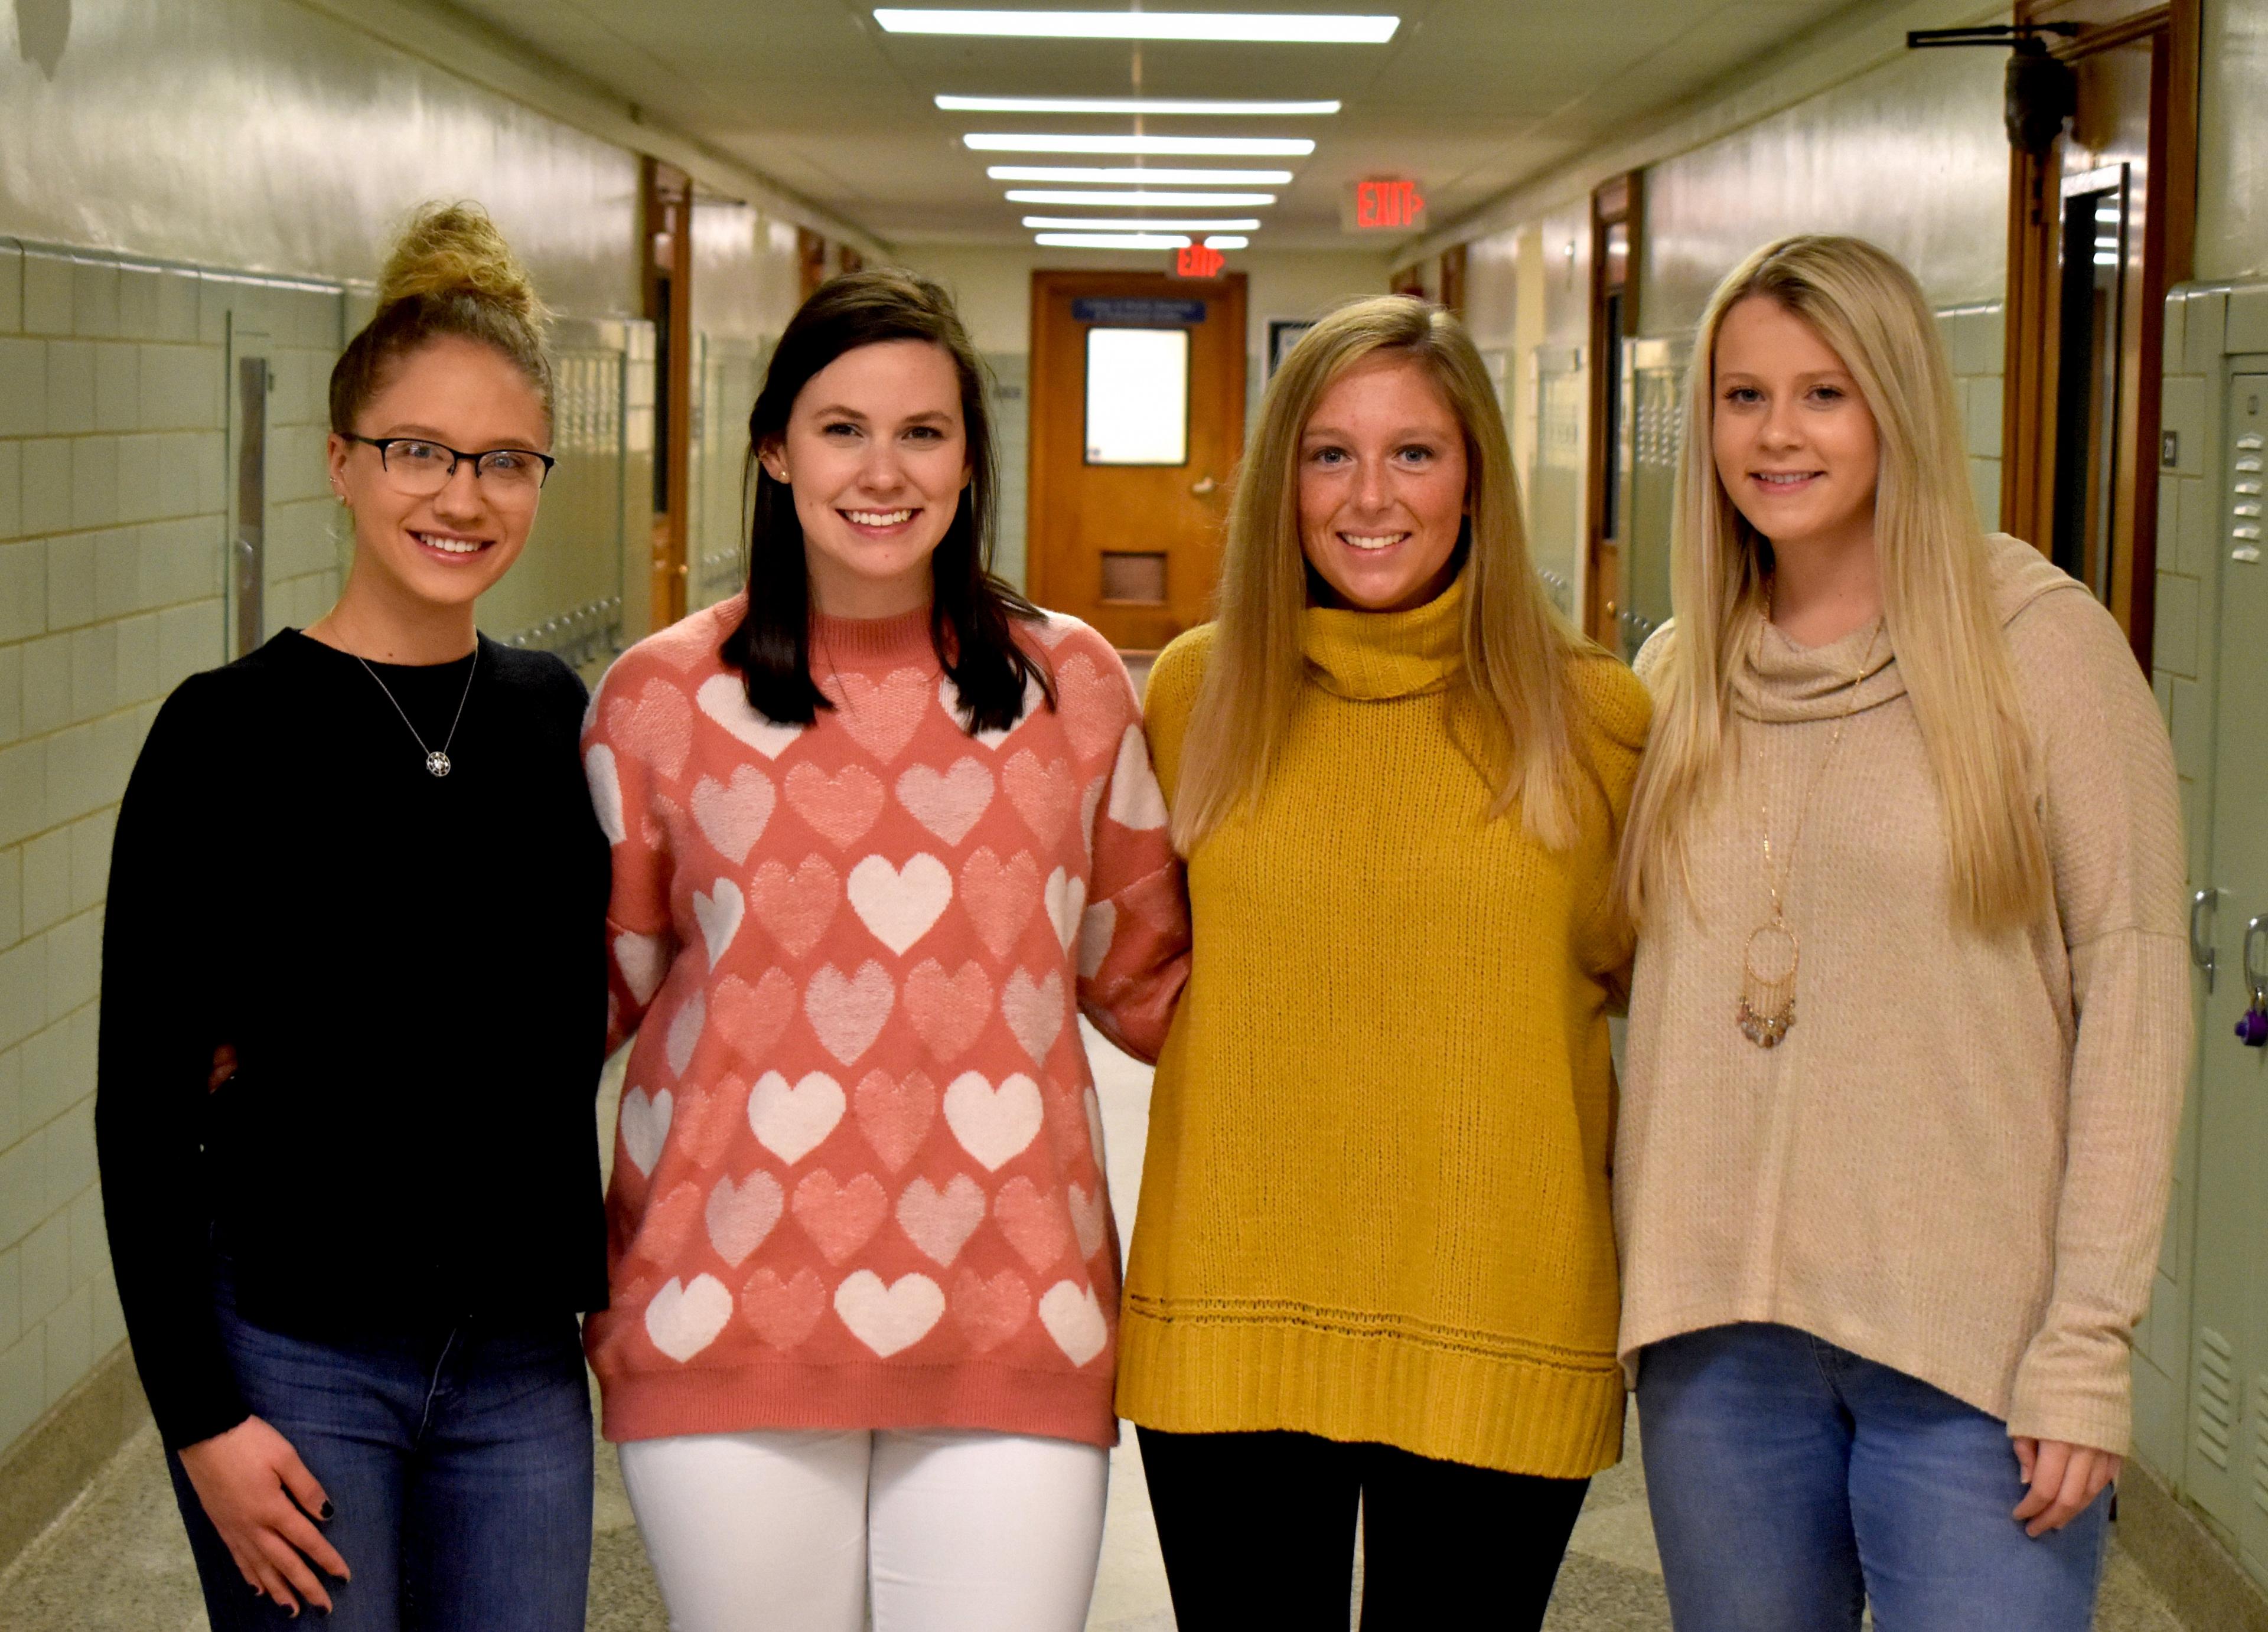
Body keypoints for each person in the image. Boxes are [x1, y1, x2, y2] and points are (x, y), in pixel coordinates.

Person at [579, 267, 1189, 1632]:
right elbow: (579, 994)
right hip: (719, 1309)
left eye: (923, 431)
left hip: (1017, 1305)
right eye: (842, 426)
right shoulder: (662, 699)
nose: (882, 469)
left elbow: (1152, 976)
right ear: (774, 448)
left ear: (972, 460)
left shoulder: (1067, 686)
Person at [1613, 234, 2189, 1631]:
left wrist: (2089, 1343)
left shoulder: (2038, 647)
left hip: (1972, 1347)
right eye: (1743, 397)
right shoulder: (1680, 671)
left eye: (1824, 392)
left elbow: (2134, 989)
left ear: (1900, 406)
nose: (1777, 434)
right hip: (1719, 1352)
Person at [94, 203, 608, 1628]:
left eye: (504, 461)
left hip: (516, 1365)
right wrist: (201, 1419)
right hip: (296, 1356)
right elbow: (140, 1110)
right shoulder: (223, 735)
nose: (462, 495)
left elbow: (575, 1029)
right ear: (340, 462)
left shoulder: (552, 717)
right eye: (418, 452)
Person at [1116, 295, 1651, 1630]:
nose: (1372, 496)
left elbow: (1654, 993)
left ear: (1475, 476)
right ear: (1281, 480)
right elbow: (1143, 968)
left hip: (1497, 1299)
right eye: (1330, 453)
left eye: (1415, 452)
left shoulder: (1593, 719)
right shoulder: (1197, 692)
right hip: (1237, 1304)